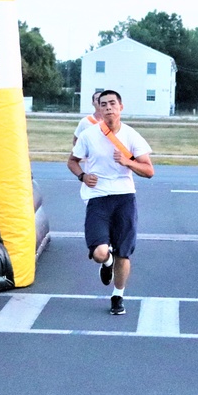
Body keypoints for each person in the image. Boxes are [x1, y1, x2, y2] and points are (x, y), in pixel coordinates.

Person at [67, 90, 154, 315]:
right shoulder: (89, 135)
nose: (108, 108)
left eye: (112, 103)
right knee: (99, 252)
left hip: (125, 197)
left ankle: (118, 296)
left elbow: (149, 171)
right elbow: (72, 161)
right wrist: (83, 176)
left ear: (121, 107)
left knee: (123, 253)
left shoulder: (132, 136)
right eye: (103, 104)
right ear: (98, 107)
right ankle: (106, 263)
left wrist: (128, 162)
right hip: (98, 197)